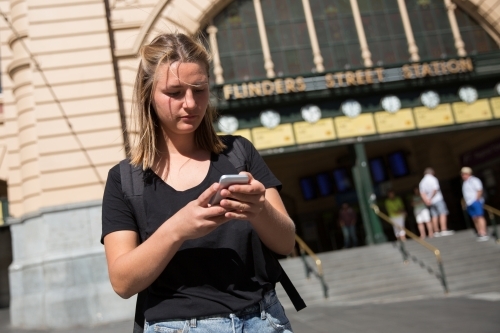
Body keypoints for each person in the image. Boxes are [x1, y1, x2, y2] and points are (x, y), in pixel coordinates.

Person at [101, 33, 297, 333]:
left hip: (263, 320)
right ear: (148, 93)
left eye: (199, 90)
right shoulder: (125, 179)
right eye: (175, 92)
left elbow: (286, 243)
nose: (190, 103)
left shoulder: (238, 153)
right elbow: (122, 282)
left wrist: (260, 210)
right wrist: (177, 229)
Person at [419, 168, 454, 237]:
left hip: (430, 202)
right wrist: (431, 198)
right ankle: (443, 230)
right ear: (432, 173)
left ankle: (436, 231)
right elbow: (435, 189)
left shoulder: (422, 182)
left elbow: (422, 193)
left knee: (434, 215)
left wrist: (427, 200)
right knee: (442, 213)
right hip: (437, 199)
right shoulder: (433, 179)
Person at [461, 167, 489, 241]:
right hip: (469, 203)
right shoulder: (465, 183)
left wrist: (476, 200)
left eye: (464, 174)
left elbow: (479, 190)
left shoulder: (474, 180)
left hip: (475, 201)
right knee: (474, 218)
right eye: (462, 174)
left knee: (479, 217)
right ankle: (479, 232)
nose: (463, 175)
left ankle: (483, 232)